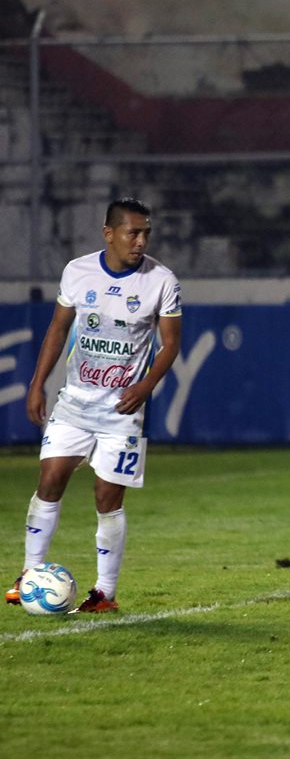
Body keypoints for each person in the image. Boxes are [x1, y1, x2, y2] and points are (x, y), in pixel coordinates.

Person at [5, 197, 182, 613]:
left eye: (146, 233)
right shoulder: (78, 271)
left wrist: (145, 386)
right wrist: (37, 385)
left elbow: (170, 344)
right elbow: (58, 327)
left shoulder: (162, 281)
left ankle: (104, 593)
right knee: (49, 481)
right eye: (132, 232)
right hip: (75, 405)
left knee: (107, 498)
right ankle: (30, 575)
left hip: (122, 412)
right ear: (109, 233)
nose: (141, 241)